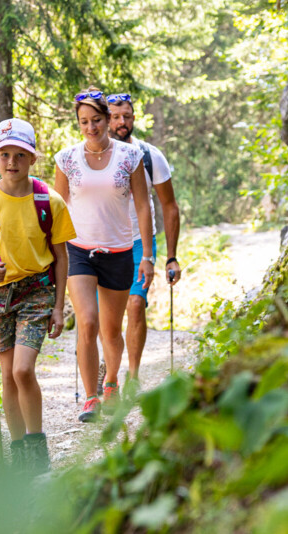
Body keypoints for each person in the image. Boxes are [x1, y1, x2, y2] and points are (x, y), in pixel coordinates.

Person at [0, 118, 76, 473]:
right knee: (7, 375)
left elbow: (61, 255)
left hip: (36, 290)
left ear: (32, 158)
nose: (12, 162)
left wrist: (59, 306)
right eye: (5, 154)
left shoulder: (48, 200)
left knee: (24, 370)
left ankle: (36, 445)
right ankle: (17, 450)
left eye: (20, 155)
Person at [53, 87, 154, 422]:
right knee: (88, 321)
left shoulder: (129, 156)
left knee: (111, 330)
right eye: (84, 122)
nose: (90, 128)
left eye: (96, 120)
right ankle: (91, 397)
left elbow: (142, 205)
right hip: (79, 250)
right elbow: (59, 207)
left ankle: (111, 381)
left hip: (120, 251)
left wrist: (148, 255)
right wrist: (52, 254)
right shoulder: (67, 158)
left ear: (108, 119)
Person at [107, 93, 182, 383]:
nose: (121, 122)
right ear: (106, 119)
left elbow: (170, 206)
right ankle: (109, 367)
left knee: (135, 304)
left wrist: (171, 257)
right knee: (107, 316)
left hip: (140, 241)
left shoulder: (150, 156)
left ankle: (133, 376)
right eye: (115, 116)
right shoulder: (94, 157)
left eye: (126, 116)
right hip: (104, 243)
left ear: (134, 117)